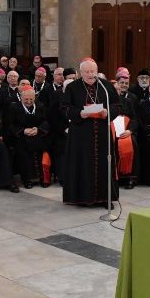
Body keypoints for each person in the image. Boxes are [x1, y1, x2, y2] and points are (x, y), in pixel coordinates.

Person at [62, 59, 120, 206]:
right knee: (82, 164)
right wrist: (79, 113)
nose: (90, 74)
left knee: (104, 164)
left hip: (102, 132)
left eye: (92, 71)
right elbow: (64, 108)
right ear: (81, 73)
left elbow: (117, 105)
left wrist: (107, 112)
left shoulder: (106, 86)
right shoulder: (73, 87)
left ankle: (105, 198)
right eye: (86, 72)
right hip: (80, 134)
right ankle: (83, 198)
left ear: (96, 71)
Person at [7, 87, 51, 188]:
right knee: (24, 152)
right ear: (21, 97)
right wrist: (23, 131)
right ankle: (27, 179)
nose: (29, 101)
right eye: (26, 99)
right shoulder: (14, 107)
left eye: (31, 99)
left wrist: (38, 129)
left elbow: (46, 121)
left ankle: (43, 178)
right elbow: (10, 124)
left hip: (38, 135)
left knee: (42, 149)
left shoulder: (40, 106)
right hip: (22, 137)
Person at [114, 68, 141, 189]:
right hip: (112, 132)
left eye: (125, 84)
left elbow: (135, 119)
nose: (121, 88)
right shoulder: (106, 102)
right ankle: (115, 176)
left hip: (127, 131)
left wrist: (129, 131)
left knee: (132, 143)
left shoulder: (129, 101)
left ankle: (130, 177)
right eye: (119, 85)